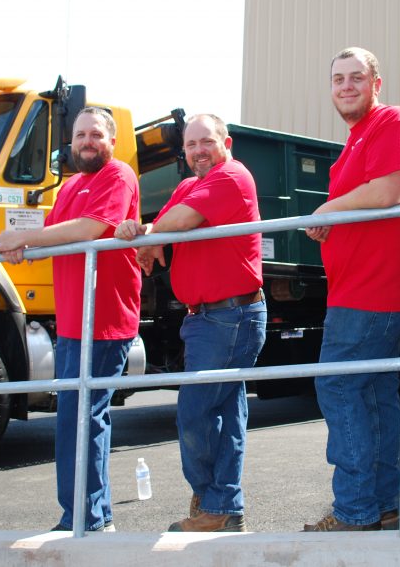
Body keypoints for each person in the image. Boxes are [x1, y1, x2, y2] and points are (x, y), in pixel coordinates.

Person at [114, 114, 266, 532]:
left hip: (230, 315)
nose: (199, 151)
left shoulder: (231, 177)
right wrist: (148, 236)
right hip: (208, 317)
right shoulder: (188, 185)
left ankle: (212, 500)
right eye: (191, 144)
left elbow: (175, 223)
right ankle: (222, 505)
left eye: (207, 142)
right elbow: (162, 226)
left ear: (226, 143)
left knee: (196, 411)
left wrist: (148, 233)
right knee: (225, 412)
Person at [0, 108, 141, 533]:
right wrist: (24, 245)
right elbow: (55, 234)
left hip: (106, 318)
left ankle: (88, 519)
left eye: (96, 134)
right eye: (80, 135)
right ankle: (83, 514)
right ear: (71, 143)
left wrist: (26, 236)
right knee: (72, 417)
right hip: (75, 320)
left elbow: (91, 229)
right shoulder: (72, 184)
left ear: (111, 141)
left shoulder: (118, 175)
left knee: (84, 416)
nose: (87, 141)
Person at [303, 47, 400, 531]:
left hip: (373, 290)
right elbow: (364, 200)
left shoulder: (392, 120)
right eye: (338, 79)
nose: (347, 86)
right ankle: (383, 505)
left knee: (339, 386)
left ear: (377, 83)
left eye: (357, 77)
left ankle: (355, 511)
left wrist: (328, 211)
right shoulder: (353, 143)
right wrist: (332, 221)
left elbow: (389, 189)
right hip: (358, 288)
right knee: (375, 397)